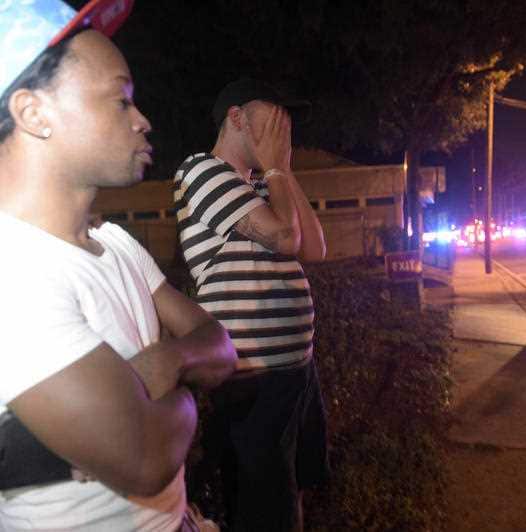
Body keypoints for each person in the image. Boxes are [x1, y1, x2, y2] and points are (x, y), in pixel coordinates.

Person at [0, 1, 237, 530]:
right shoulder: (12, 273)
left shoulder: (115, 243)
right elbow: (148, 457)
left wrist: (168, 364)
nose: (142, 119)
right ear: (34, 113)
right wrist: (183, 378)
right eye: (120, 99)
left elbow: (220, 346)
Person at [174, 78, 329, 531]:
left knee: (291, 490)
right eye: (273, 114)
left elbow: (315, 247)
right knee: (264, 510)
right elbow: (285, 238)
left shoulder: (263, 185)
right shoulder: (202, 171)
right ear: (236, 118)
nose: (285, 124)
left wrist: (282, 171)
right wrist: (277, 169)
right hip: (253, 380)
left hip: (296, 371)